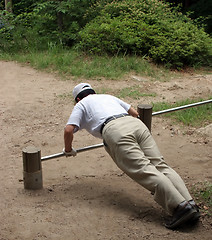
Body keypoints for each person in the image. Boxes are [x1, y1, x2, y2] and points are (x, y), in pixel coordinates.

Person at [63, 83, 200, 229]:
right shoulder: (108, 96)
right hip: (136, 125)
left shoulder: (81, 105)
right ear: (93, 92)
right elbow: (134, 113)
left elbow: (68, 130)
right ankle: (190, 203)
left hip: (115, 131)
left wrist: (68, 149)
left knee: (145, 170)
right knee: (160, 165)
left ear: (78, 98)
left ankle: (180, 208)